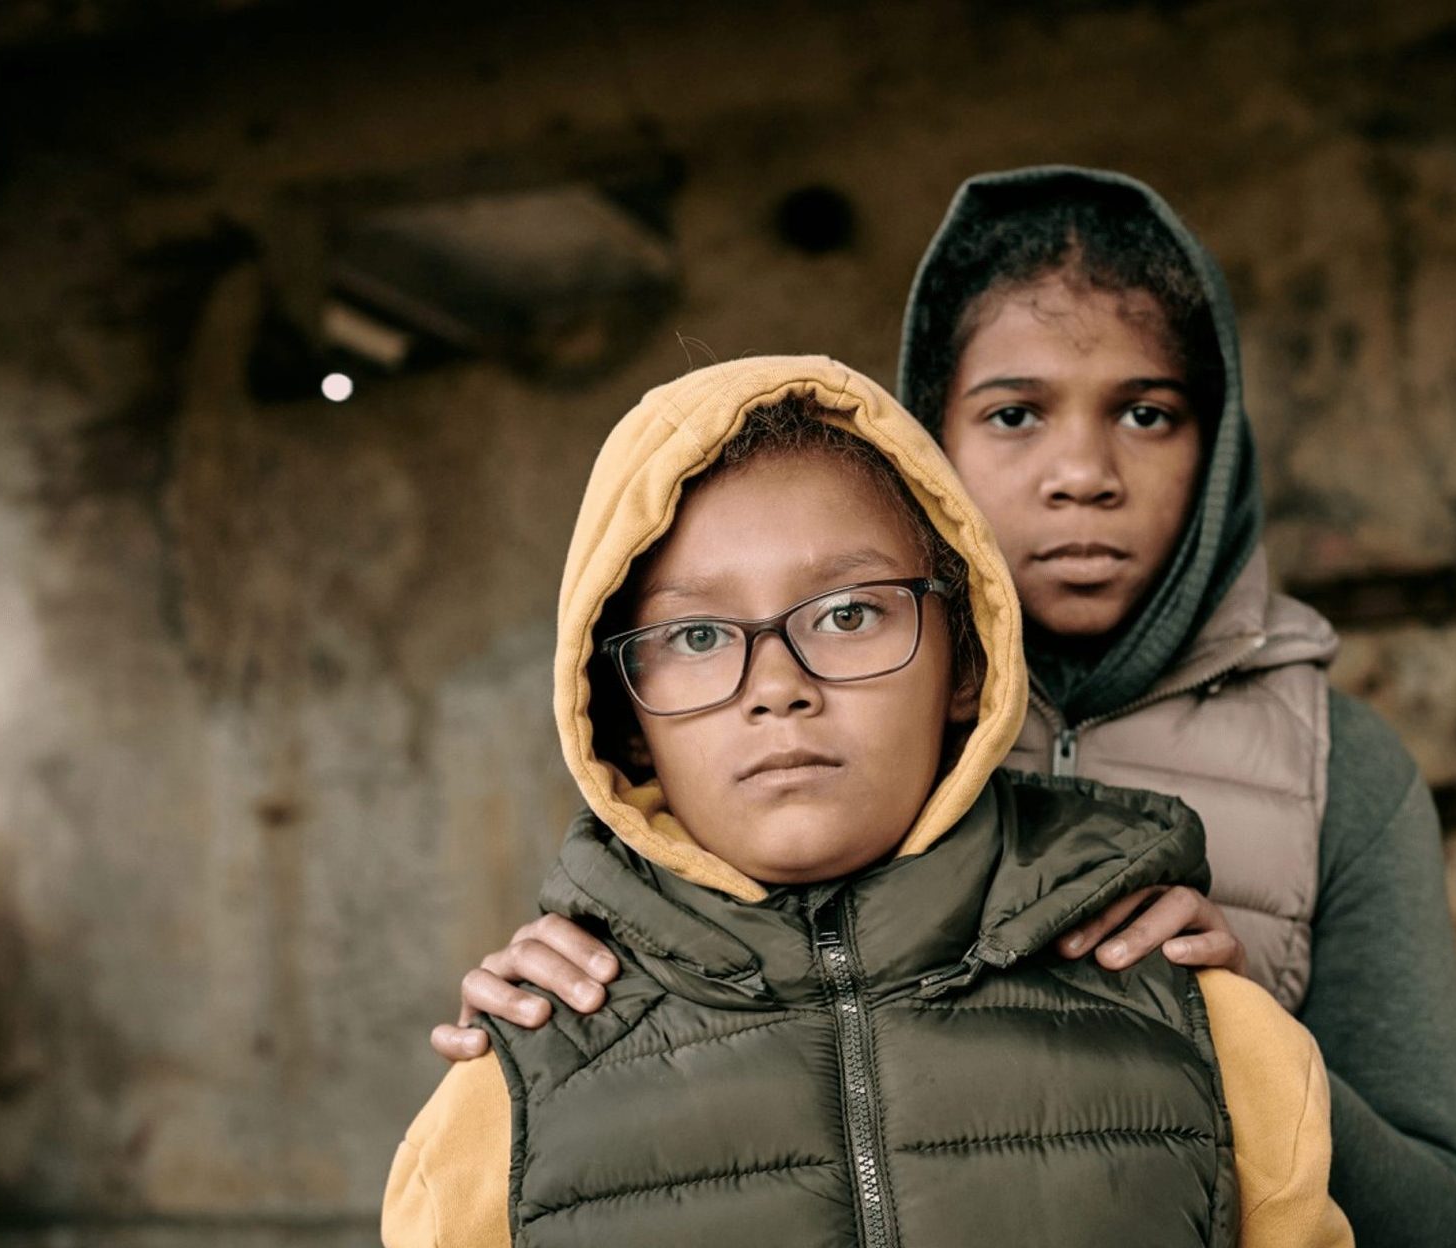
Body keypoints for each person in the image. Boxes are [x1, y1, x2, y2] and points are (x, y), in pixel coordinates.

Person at [434, 170, 1456, 1246]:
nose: (1081, 473)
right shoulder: (813, 738)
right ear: (926, 443)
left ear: (1216, 443)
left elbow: (1450, 1223)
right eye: (1013, 414)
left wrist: (1234, 1036)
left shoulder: (1334, 766)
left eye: (1146, 413)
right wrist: (557, 999)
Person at [384, 357, 1355, 1247]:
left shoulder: (1204, 1027)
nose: (776, 685)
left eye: (849, 614)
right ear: (624, 716)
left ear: (967, 662)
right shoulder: (505, 1102)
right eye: (694, 639)